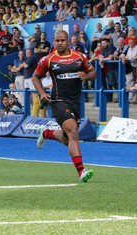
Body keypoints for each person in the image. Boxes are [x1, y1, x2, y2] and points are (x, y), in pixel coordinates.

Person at [32, 30, 96, 183]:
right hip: (58, 101)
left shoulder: (80, 57)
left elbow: (93, 72)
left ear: (68, 42)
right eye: (56, 40)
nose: (59, 43)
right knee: (73, 130)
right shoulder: (48, 59)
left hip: (75, 102)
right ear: (53, 42)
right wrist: (41, 93)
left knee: (69, 139)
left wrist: (86, 76)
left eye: (62, 40)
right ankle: (81, 171)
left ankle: (46, 133)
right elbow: (35, 77)